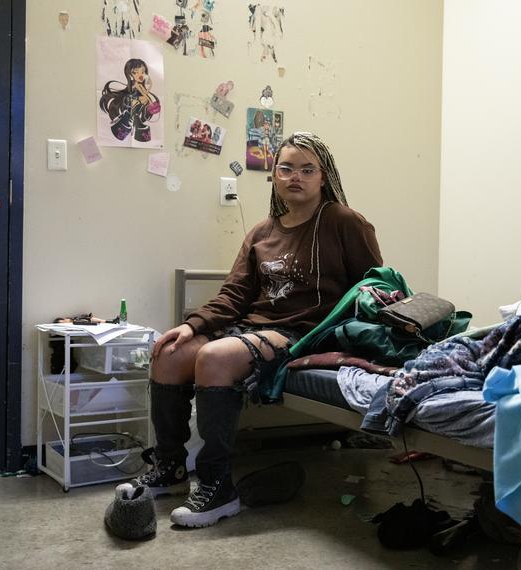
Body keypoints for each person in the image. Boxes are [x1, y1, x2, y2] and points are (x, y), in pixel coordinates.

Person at [119, 132, 384, 528]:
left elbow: (374, 287)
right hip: (252, 327)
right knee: (169, 352)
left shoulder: (344, 222)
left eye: (307, 169)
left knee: (214, 357)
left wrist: (355, 340)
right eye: (287, 168)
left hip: (305, 333)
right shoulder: (262, 233)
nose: (296, 177)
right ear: (274, 176)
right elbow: (234, 295)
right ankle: (170, 467)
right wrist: (192, 326)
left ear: (323, 177)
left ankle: (216, 485)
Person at [99, 58, 160, 143]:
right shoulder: (135, 84)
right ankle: (130, 117)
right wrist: (149, 100)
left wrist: (150, 84)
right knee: (144, 99)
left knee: (144, 99)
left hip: (136, 100)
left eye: (143, 72)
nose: (140, 75)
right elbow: (144, 94)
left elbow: (145, 93)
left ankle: (135, 117)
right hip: (131, 99)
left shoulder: (140, 84)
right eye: (135, 72)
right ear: (130, 74)